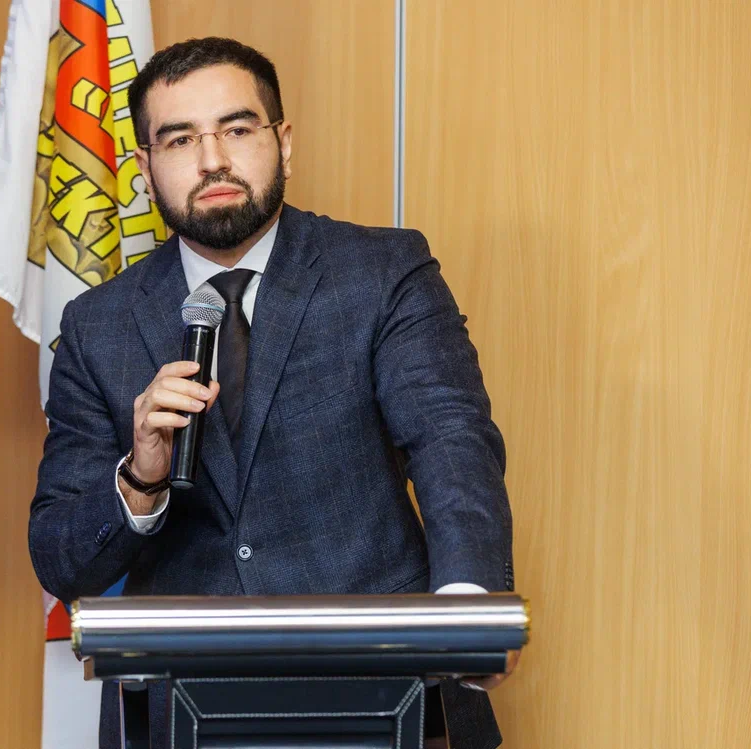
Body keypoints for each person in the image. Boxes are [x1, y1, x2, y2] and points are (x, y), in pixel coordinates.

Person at [28, 37, 515, 749]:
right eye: (180, 139)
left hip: (388, 695)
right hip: (178, 711)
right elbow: (61, 559)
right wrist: (140, 479)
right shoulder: (96, 324)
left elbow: (450, 439)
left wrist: (467, 609)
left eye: (236, 129)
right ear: (145, 169)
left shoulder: (382, 271)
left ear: (283, 143)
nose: (212, 160)